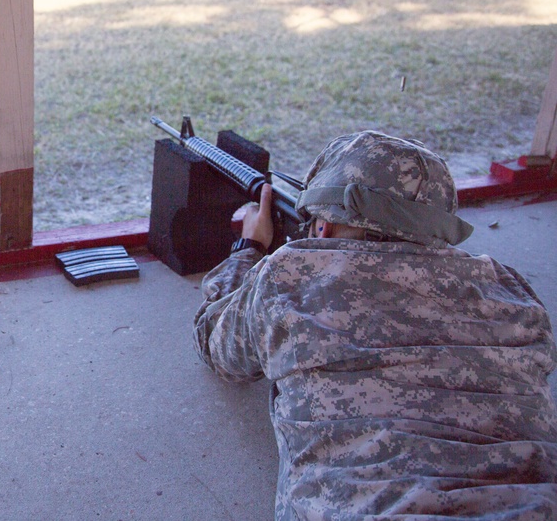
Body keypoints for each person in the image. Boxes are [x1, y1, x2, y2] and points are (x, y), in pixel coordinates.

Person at [193, 130, 557, 520]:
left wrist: (248, 249)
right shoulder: (512, 293)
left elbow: (214, 343)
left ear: (322, 228)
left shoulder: (289, 274)